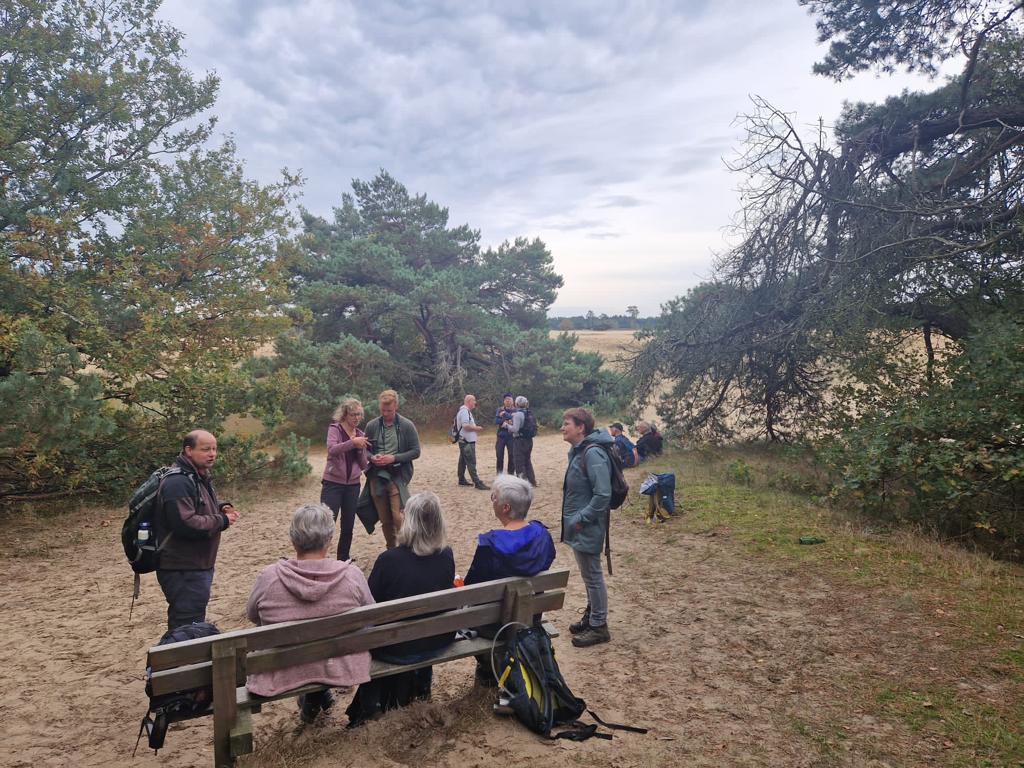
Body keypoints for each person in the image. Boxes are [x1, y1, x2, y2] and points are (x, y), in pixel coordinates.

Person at [245, 503, 375, 724]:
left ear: (293, 540)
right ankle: (317, 698)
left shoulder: (269, 578)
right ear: (330, 540)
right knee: (321, 647)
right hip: (339, 662)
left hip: (282, 664)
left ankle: (314, 700)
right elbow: (370, 615)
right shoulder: (352, 576)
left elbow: (252, 615)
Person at [346, 492, 456, 725]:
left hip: (395, 647)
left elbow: (370, 608)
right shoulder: (446, 555)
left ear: (410, 522)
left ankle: (374, 705)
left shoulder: (389, 560)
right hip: (437, 640)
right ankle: (420, 689)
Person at [465, 472, 555, 684]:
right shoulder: (542, 535)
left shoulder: (490, 545)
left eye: (494, 497)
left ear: (505, 508)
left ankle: (488, 671)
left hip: (494, 625)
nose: (492, 500)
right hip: (530, 616)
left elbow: (471, 588)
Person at [154, 430, 240, 631]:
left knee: (191, 620)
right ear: (188, 450)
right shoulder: (178, 482)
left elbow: (199, 503)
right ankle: (179, 652)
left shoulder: (196, 475)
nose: (212, 454)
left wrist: (222, 506)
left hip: (195, 565)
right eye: (206, 449)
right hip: (183, 568)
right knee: (186, 624)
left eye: (214, 449)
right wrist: (222, 520)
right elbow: (185, 523)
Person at [560, 407, 613, 648]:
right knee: (588, 574)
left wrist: (581, 518)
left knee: (593, 575)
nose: (562, 427)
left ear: (581, 427)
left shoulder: (592, 454)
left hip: (586, 525)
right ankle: (592, 617)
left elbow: (603, 494)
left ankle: (599, 626)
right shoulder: (578, 451)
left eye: (567, 423)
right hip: (580, 524)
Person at [356, 389, 421, 549]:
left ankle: (405, 549)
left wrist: (394, 458)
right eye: (383, 410)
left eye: (389, 411)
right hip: (376, 476)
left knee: (399, 516)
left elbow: (416, 451)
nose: (385, 414)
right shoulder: (372, 425)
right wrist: (372, 457)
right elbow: (365, 450)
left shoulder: (407, 425)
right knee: (385, 519)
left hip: (397, 475)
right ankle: (391, 549)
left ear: (396, 407)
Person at [320, 398, 369, 560]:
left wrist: (361, 449)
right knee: (326, 523)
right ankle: (319, 558)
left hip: (353, 485)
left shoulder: (361, 435)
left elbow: (363, 464)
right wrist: (352, 443)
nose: (357, 418)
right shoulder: (335, 429)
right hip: (333, 483)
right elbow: (332, 450)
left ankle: (343, 558)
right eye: (353, 414)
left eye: (359, 414)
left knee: (348, 525)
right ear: (345, 414)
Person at [455, 394, 488, 490]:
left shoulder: (463, 411)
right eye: (474, 400)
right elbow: (465, 426)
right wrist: (477, 428)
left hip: (463, 440)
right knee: (471, 461)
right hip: (467, 441)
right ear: (469, 401)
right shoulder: (465, 412)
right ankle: (477, 483)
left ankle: (461, 479)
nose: (475, 402)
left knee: (463, 461)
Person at [511, 395, 538, 486]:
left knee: (519, 462)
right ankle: (532, 481)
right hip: (529, 440)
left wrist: (507, 426)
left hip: (519, 440)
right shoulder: (529, 413)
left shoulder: (517, 414)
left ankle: (522, 483)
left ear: (517, 404)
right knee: (527, 460)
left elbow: (515, 429)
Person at [494, 392, 516, 474]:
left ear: (512, 401)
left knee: (512, 456)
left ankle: (511, 475)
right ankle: (499, 475)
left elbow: (516, 420)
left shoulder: (516, 410)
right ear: (504, 401)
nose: (508, 401)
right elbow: (496, 421)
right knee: (499, 456)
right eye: (506, 400)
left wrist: (505, 418)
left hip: (512, 436)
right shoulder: (500, 409)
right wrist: (506, 421)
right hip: (501, 436)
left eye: (509, 399)